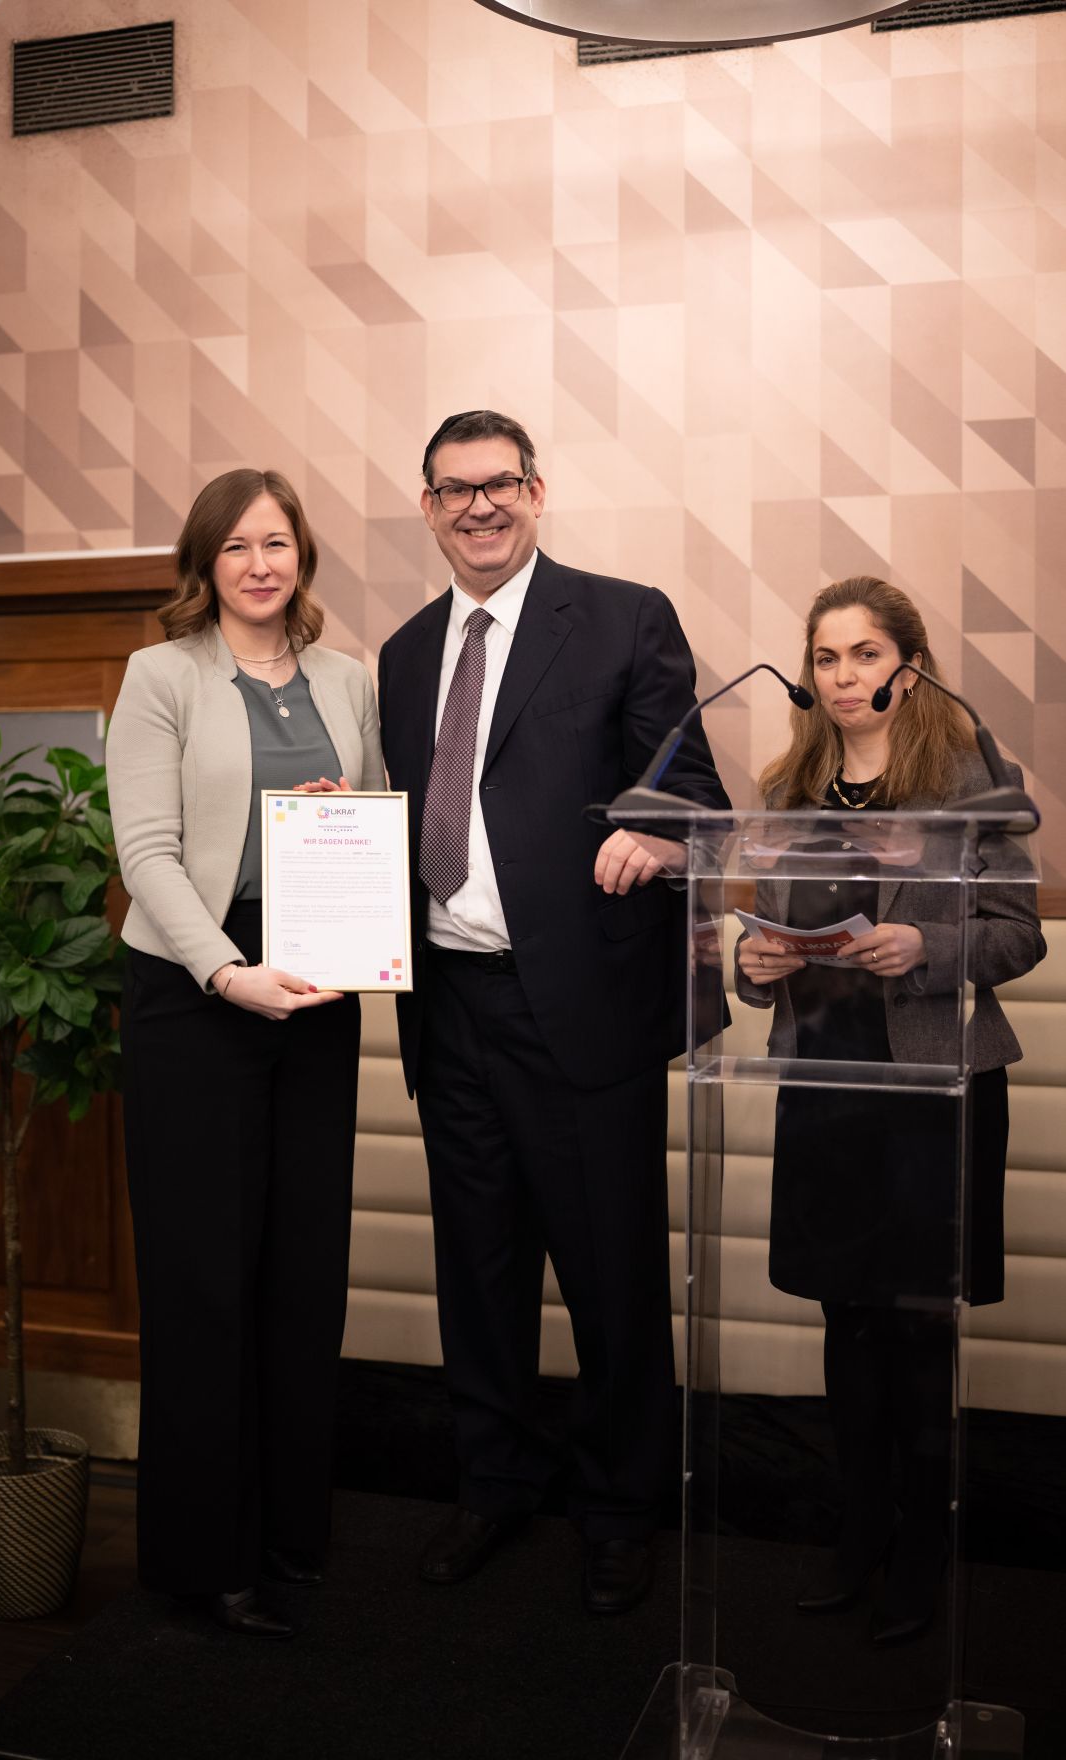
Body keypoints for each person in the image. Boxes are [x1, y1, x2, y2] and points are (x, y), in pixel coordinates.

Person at [377, 409, 730, 1614]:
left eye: (500, 484)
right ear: (427, 507)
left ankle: (621, 1507)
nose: (479, 506)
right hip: (449, 1002)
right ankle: (494, 1483)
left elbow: (694, 787)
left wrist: (653, 827)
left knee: (611, 1271)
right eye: (454, 489)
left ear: (538, 491)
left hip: (577, 1008)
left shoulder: (625, 616)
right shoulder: (405, 651)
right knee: (475, 1270)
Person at [736, 575, 1045, 1645]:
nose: (843, 676)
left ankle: (924, 1545)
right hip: (825, 1082)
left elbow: (1019, 931)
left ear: (907, 665)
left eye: (864, 654)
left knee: (917, 1324)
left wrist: (928, 949)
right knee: (844, 1314)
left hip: (932, 1087)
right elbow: (757, 945)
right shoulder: (787, 789)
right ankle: (857, 1529)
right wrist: (755, 958)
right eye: (826, 657)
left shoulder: (967, 780)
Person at [107, 468, 385, 1636]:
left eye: (278, 542)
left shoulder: (348, 677)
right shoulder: (160, 675)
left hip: (316, 982)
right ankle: (200, 1556)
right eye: (237, 547)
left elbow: (370, 813)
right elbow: (149, 850)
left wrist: (335, 804)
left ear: (301, 556)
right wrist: (226, 969)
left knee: (303, 1266)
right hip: (192, 988)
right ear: (205, 564)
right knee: (205, 1278)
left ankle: (288, 1532)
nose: (260, 563)